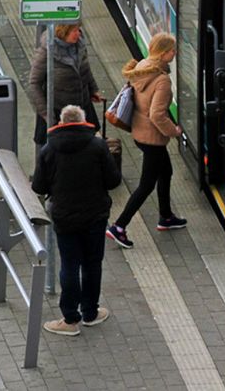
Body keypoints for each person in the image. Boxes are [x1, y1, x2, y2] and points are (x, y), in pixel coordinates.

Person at [32, 104, 121, 336]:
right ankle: (91, 312)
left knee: (69, 265)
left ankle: (70, 319)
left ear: (61, 122)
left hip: (65, 216)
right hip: (95, 215)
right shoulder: (98, 146)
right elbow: (113, 181)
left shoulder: (49, 149)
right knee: (93, 263)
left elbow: (38, 186)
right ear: (83, 121)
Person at [106, 32, 186, 249]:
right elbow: (157, 115)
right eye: (172, 51)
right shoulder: (161, 80)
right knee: (146, 185)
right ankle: (119, 227)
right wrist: (174, 131)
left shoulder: (142, 65)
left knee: (166, 172)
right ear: (163, 53)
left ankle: (166, 217)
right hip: (152, 138)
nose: (174, 54)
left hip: (140, 133)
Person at [28, 23, 103, 147]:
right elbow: (34, 83)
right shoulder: (46, 52)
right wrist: (46, 114)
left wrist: (93, 89)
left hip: (82, 107)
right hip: (58, 112)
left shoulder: (80, 44)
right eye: (74, 31)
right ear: (63, 32)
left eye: (78, 30)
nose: (78, 34)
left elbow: (86, 69)